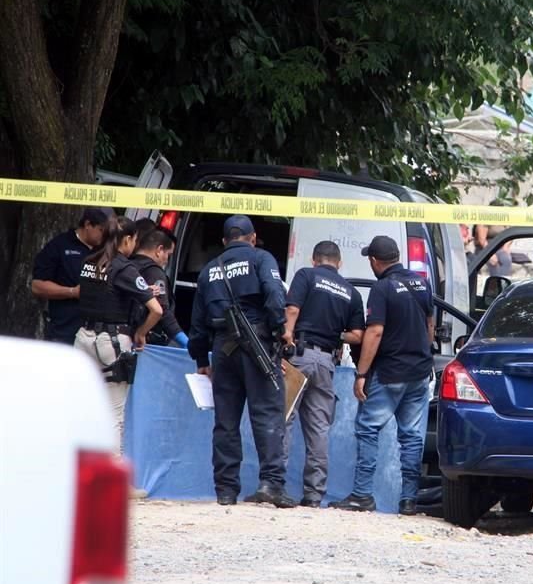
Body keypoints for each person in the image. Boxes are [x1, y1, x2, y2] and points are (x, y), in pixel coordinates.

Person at [188, 214, 296, 508]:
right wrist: (280, 331)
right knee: (268, 415)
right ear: (252, 237)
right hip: (258, 343)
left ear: (224, 241)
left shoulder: (208, 270)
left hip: (223, 350)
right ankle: (271, 484)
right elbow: (275, 295)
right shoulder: (261, 258)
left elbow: (197, 323)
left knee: (225, 421)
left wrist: (200, 357)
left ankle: (225, 490)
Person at [330, 236, 435, 516]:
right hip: (419, 373)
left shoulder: (382, 288)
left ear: (375, 261)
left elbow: (374, 332)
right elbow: (429, 325)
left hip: (390, 372)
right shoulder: (421, 283)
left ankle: (362, 495)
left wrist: (361, 373)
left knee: (368, 428)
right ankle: (409, 500)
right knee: (412, 438)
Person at [282, 241, 365, 508]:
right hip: (327, 362)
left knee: (284, 419)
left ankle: (274, 485)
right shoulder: (351, 292)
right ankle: (314, 495)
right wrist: (334, 333)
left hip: (300, 355)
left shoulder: (306, 275)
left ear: (315, 259)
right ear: (339, 263)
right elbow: (357, 335)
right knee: (318, 429)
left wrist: (287, 335)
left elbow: (292, 309)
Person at [74, 216, 163, 450]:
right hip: (110, 344)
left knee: (85, 407)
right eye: (134, 240)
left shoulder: (89, 261)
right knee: (114, 413)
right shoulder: (124, 267)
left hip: (83, 337)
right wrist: (141, 333)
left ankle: (78, 470)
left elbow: (103, 293)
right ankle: (114, 480)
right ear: (128, 239)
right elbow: (156, 310)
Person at [31, 207, 111, 343]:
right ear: (87, 225)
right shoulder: (60, 245)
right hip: (64, 331)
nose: (103, 235)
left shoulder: (104, 250)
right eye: (101, 230)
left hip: (96, 337)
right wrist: (72, 292)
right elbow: (37, 286)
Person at [131, 229, 188, 348]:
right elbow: (163, 312)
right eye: (168, 254)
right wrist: (185, 342)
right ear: (159, 250)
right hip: (145, 341)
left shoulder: (125, 265)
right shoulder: (154, 272)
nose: (167, 260)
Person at [473, 200, 512, 276]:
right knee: (493, 263)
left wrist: (506, 247)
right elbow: (482, 240)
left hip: (499, 247)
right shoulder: (484, 219)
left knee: (506, 260)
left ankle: (503, 283)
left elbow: (510, 233)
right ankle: (494, 284)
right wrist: (490, 254)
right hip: (485, 248)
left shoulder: (504, 219)